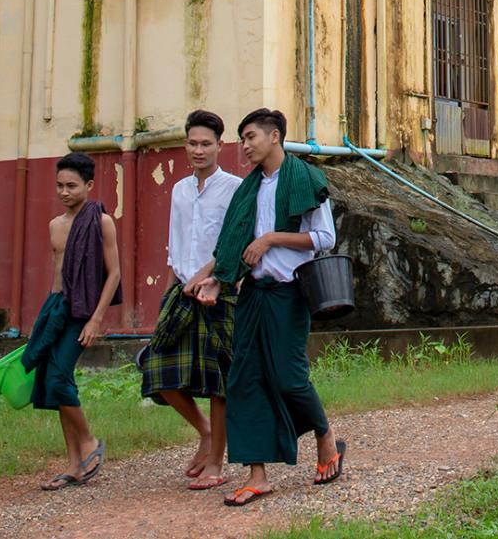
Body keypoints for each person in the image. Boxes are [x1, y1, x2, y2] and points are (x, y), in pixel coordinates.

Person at [194, 109, 346, 506]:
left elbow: (325, 237)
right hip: (252, 295)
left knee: (288, 378)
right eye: (242, 139)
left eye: (250, 137)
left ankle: (324, 434)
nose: (244, 145)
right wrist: (218, 278)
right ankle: (256, 474)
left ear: (274, 136)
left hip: (289, 294)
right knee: (244, 382)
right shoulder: (249, 189)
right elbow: (234, 245)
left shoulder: (304, 179)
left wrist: (273, 239)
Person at [141, 110, 243, 491]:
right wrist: (167, 294)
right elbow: (175, 246)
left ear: (220, 146)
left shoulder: (234, 188)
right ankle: (204, 433)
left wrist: (211, 278)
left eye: (206, 144)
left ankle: (217, 462)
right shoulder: (180, 189)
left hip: (218, 293)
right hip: (181, 291)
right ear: (185, 144)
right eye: (193, 143)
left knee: (218, 383)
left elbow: (233, 243)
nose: (199, 150)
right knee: (158, 369)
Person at [26, 153, 122, 491]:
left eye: (71, 186)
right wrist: (45, 316)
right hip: (55, 308)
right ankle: (74, 466)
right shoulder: (54, 224)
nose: (64, 192)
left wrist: (96, 319)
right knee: (51, 383)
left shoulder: (101, 221)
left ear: (89, 185)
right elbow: (56, 273)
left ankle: (89, 441)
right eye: (59, 186)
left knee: (59, 377)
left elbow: (114, 274)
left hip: (81, 311)